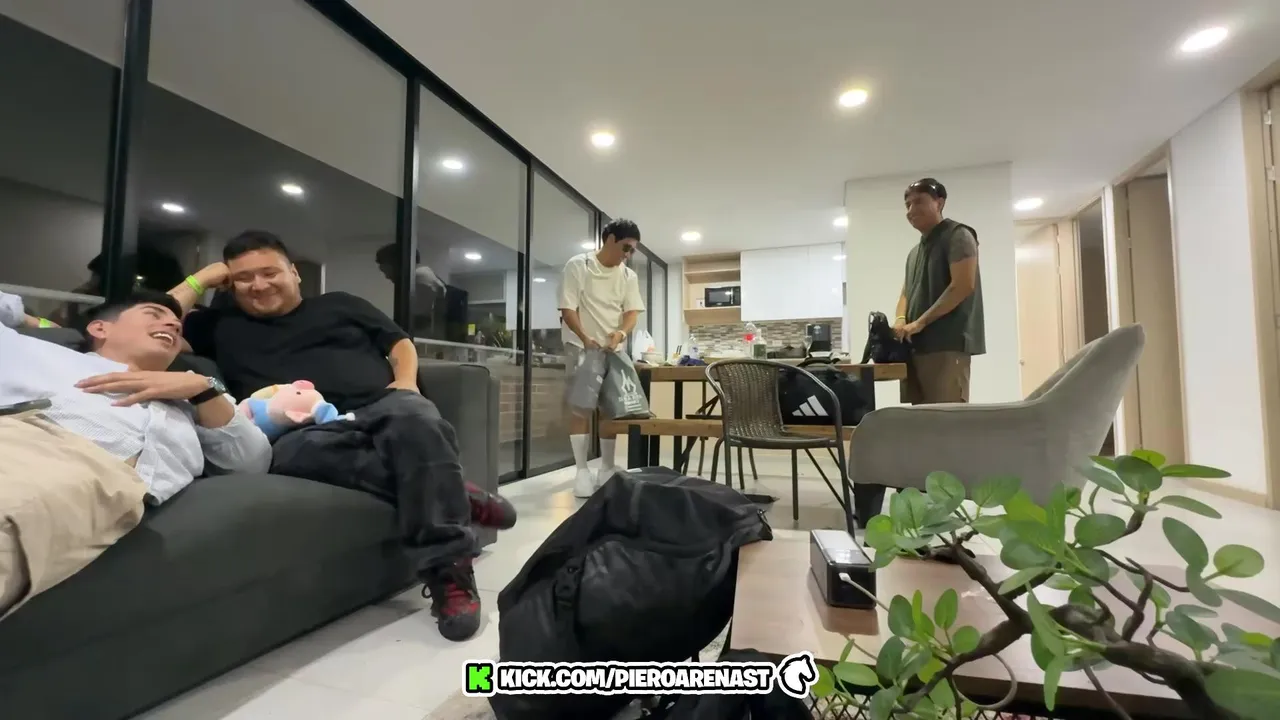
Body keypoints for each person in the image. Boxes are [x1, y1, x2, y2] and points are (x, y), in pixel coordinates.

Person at [171, 231, 516, 642]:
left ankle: (449, 573)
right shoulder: (218, 326)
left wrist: (406, 383)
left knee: (419, 420)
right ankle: (455, 493)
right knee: (294, 455)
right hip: (304, 429)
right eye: (244, 277)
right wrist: (201, 279)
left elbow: (399, 343)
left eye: (269, 272)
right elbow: (153, 322)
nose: (258, 285)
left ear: (294, 273)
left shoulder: (340, 304)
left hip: (382, 404)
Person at [0, 289, 272, 616]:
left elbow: (251, 464)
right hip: (27, 443)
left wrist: (203, 391)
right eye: (154, 314)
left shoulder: (194, 396)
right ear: (100, 328)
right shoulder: (34, 352)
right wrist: (26, 317)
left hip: (108, 489)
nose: (173, 324)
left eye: (177, 324)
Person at [558, 218, 645, 498]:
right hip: (581, 347)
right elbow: (568, 308)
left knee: (611, 408)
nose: (628, 254)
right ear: (610, 239)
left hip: (612, 350)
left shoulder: (628, 276)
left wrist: (621, 333)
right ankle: (581, 471)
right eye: (626, 247)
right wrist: (585, 338)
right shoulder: (579, 265)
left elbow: (632, 312)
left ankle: (606, 468)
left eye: (632, 250)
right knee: (580, 408)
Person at [893, 178, 985, 405]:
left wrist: (920, 323)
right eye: (908, 205)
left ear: (940, 203)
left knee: (947, 417)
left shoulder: (958, 235)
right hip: (916, 349)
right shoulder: (915, 252)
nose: (911, 210)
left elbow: (963, 285)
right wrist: (901, 320)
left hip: (946, 346)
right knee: (921, 418)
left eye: (919, 202)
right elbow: (906, 293)